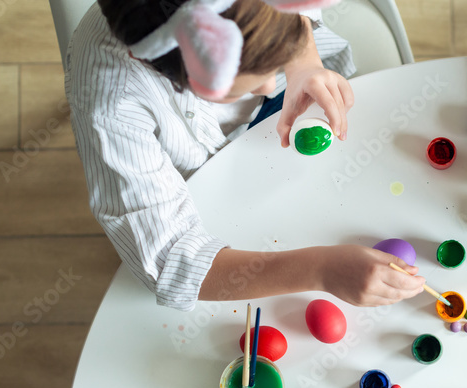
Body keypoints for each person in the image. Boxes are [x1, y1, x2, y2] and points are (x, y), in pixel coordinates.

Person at [67, 0, 425, 311]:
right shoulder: (111, 99)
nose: (269, 86)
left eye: (272, 66)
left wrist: (302, 61)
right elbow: (171, 259)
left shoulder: (275, 61)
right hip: (206, 184)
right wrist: (321, 270)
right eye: (245, 84)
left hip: (287, 118)